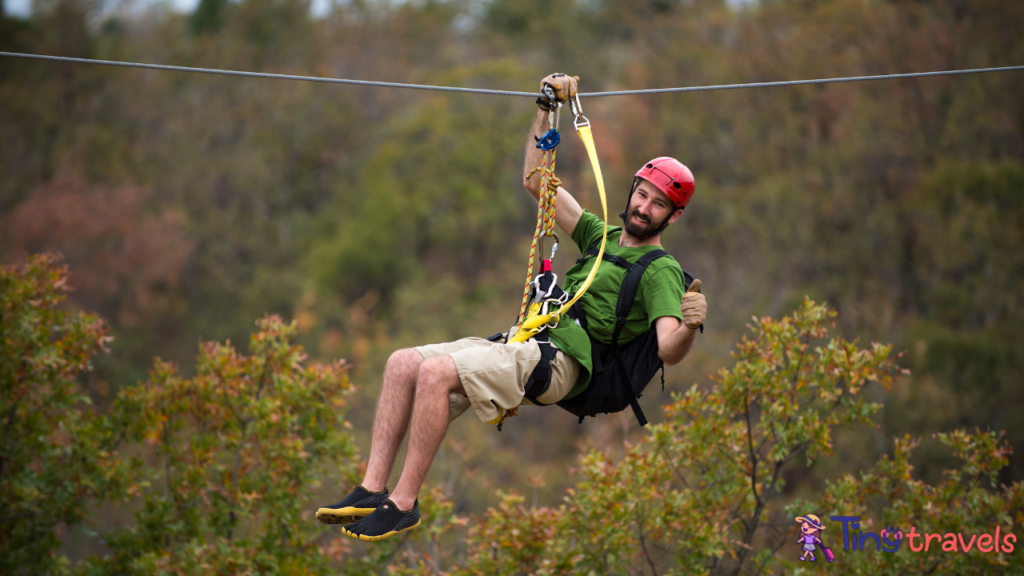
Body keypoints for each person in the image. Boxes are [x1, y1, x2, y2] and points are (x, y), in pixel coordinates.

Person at [315, 73, 708, 542]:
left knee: (437, 373)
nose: (644, 207)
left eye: (658, 204)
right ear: (632, 190)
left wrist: (689, 325)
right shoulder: (599, 236)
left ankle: (402, 504)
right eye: (642, 194)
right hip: (530, 339)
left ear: (673, 216)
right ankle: (370, 489)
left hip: (566, 361)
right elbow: (536, 181)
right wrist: (544, 107)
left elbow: (668, 349)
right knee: (403, 364)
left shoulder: (660, 270)